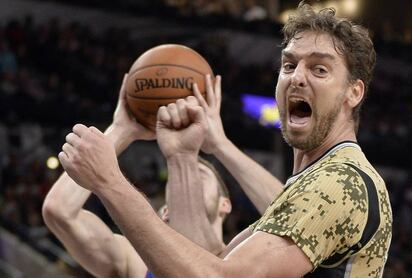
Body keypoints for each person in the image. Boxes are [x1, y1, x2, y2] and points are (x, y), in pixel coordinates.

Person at [57, 2, 392, 277]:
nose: (297, 78)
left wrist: (110, 182)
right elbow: (210, 259)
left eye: (320, 69)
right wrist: (183, 157)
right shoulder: (317, 181)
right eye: (289, 66)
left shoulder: (340, 181)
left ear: (353, 92)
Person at [42, 75, 232, 277]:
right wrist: (123, 130)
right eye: (178, 178)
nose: (188, 177)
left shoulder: (245, 257)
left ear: (225, 204)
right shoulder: (137, 260)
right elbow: (60, 211)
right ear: (166, 211)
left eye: (200, 175)